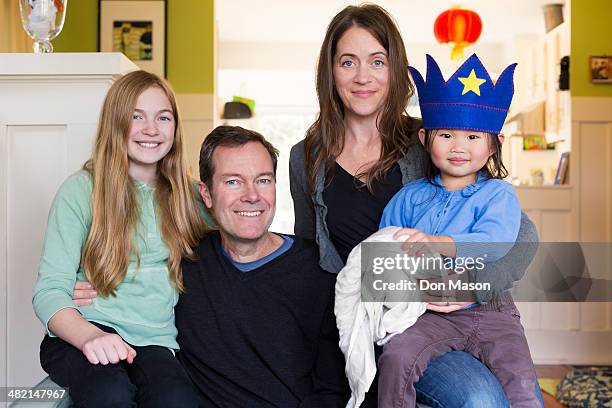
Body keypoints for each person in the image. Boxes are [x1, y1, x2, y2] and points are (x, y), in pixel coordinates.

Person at [289, 4, 539, 407]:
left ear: (395, 69)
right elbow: (308, 251)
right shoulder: (306, 157)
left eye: (377, 61)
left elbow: (519, 233)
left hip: (435, 316)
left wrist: (474, 284)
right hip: (360, 316)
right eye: (347, 62)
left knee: (480, 398)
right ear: (330, 72)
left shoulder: (434, 138)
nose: (362, 76)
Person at [74, 125, 350, 407]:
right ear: (205, 195)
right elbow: (131, 292)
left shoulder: (319, 272)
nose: (252, 195)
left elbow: (333, 390)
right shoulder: (180, 262)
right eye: (233, 182)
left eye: (263, 180)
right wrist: (81, 291)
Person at [374, 53, 540, 408]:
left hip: (492, 312)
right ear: (424, 137)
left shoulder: (498, 194)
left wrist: (439, 244)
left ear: (495, 142)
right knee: (398, 356)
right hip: (428, 314)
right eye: (446, 134)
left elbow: (495, 243)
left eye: (473, 136)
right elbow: (384, 253)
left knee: (522, 384)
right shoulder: (408, 199)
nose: (459, 147)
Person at [32, 70, 204, 407]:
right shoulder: (81, 192)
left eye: (163, 117)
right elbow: (49, 290)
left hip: (154, 340)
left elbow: (239, 220)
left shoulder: (188, 198)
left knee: (177, 398)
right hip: (85, 330)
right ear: (115, 124)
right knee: (108, 392)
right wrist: (90, 336)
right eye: (136, 117)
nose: (151, 129)